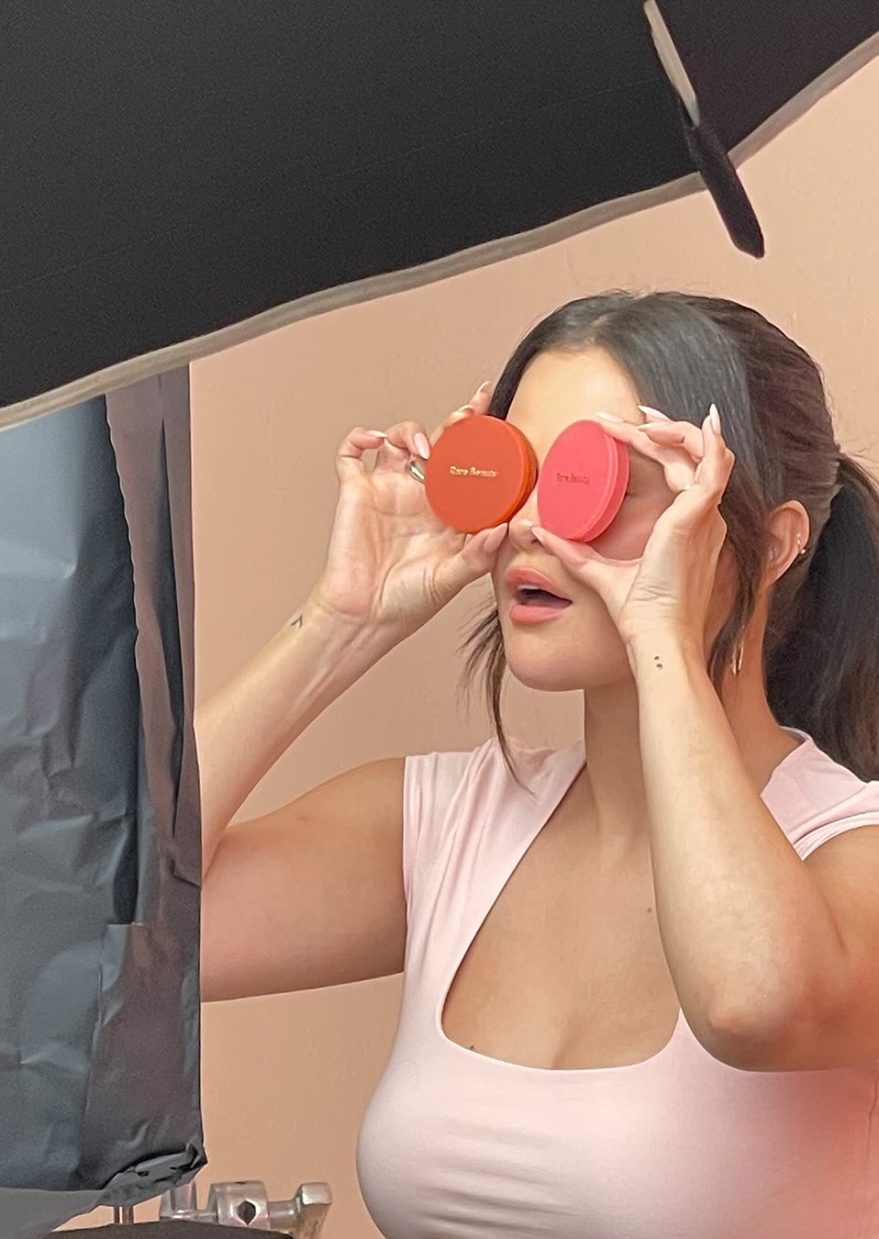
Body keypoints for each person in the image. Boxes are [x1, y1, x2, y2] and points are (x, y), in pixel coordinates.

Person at [195, 291, 879, 1238]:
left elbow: (749, 1003)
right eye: (516, 474)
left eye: (592, 483)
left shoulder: (848, 851)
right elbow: (112, 930)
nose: (528, 527)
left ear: (765, 543)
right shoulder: (448, 823)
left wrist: (662, 636)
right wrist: (344, 620)